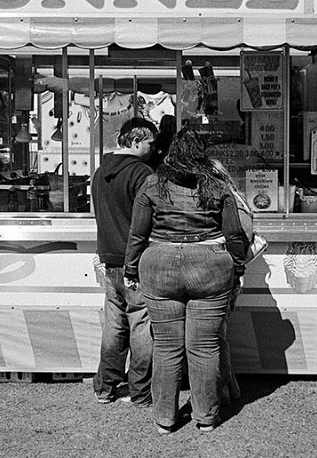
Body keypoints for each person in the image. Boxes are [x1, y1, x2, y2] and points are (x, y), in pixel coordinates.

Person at [124, 128, 248, 434]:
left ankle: (165, 419)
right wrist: (238, 267)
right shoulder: (218, 187)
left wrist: (130, 268)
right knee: (204, 347)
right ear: (201, 155)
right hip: (209, 267)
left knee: (166, 346)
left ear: (170, 153)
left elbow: (138, 234)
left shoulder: (152, 184)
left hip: (159, 266)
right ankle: (205, 417)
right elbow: (234, 235)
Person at [92, 116, 158, 408]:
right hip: (137, 262)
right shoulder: (142, 174)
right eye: (150, 144)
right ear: (135, 142)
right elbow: (148, 221)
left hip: (109, 260)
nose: (154, 150)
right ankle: (140, 391)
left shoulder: (99, 172)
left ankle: (105, 387)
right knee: (141, 325)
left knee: (114, 326)